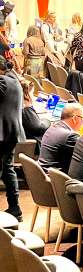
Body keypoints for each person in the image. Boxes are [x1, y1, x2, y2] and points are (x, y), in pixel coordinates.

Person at [0, 60, 24, 220]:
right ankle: (14, 207)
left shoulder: (2, 81)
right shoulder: (15, 81)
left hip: (2, 131)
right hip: (11, 131)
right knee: (7, 168)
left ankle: (15, 207)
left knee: (6, 169)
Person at [38, 102, 83, 173]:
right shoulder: (70, 136)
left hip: (43, 173)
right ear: (75, 118)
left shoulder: (53, 127)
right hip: (56, 178)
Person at [20, 78, 48, 151]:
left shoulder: (14, 104)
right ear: (26, 94)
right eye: (31, 93)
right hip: (32, 146)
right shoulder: (26, 109)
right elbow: (39, 127)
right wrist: (47, 121)